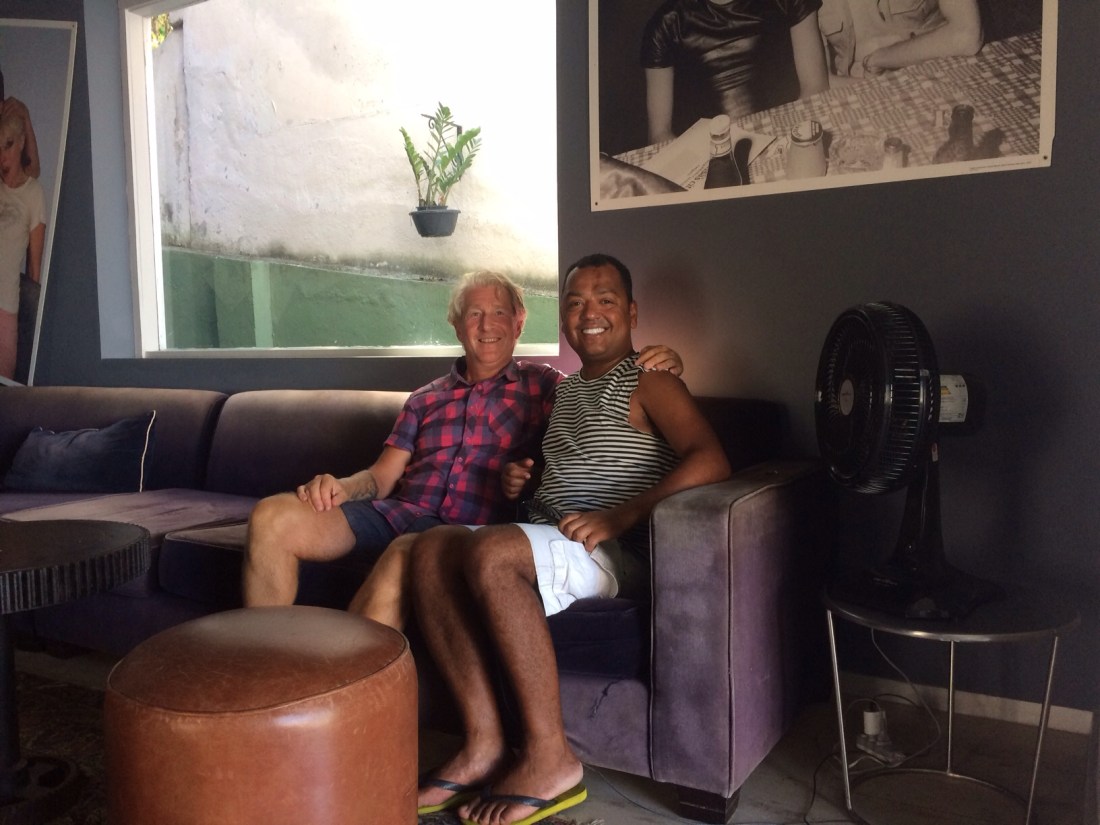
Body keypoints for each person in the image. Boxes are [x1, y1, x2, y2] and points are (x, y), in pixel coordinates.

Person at [410, 253, 731, 824]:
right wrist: (523, 480)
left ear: (632, 313)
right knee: (432, 547)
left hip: (616, 551)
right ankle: (483, 744)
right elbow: (570, 469)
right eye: (576, 303)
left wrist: (622, 515)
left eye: (605, 300)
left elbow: (711, 459)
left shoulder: (651, 379)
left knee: (489, 550)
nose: (590, 313)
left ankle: (551, 758)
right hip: (556, 534)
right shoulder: (567, 391)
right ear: (562, 319)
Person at [242, 270, 683, 627]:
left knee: (413, 550)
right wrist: (342, 485)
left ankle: (344, 690)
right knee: (271, 516)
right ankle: (264, 674)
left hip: (467, 530)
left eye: (499, 313)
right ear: (456, 325)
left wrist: (664, 359)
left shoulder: (547, 386)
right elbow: (381, 476)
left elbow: (599, 394)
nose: (487, 325)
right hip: (396, 513)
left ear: (519, 323)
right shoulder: (424, 398)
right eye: (474, 314)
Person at [642, 0, 829, 144]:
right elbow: (660, 134)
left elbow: (815, 88)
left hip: (787, 133)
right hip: (710, 152)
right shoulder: (665, 24)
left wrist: (792, 142)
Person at [818, 0, 983, 79]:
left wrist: (880, 58)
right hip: (853, 90)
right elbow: (820, 83)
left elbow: (967, 34)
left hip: (935, 75)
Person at [0, 109, 45, 382]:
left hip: (6, 305)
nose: (2, 156)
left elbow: (35, 270)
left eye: (8, 145)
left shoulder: (33, 193)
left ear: (21, 143)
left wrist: (26, 117)